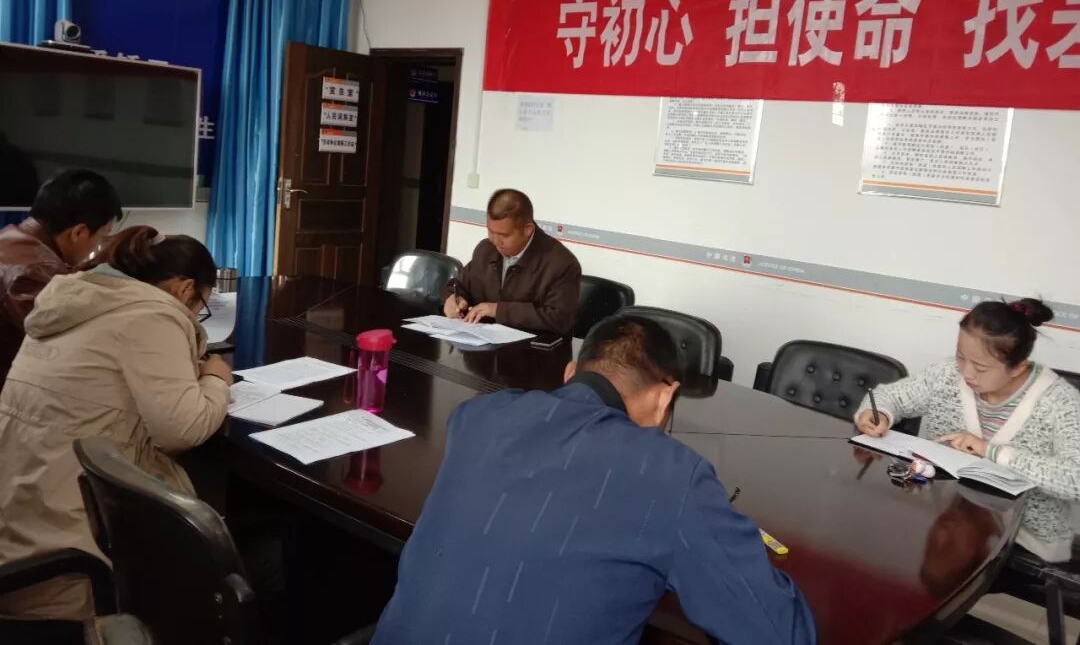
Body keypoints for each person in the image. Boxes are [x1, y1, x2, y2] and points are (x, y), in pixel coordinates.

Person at [372, 315, 817, 645]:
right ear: (666, 396)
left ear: (571, 373)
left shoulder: (479, 416)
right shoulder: (670, 473)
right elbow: (777, 632)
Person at [0, 226, 233, 621]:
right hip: (67, 563)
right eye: (200, 307)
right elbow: (183, 429)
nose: (196, 316)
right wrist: (216, 379)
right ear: (184, 289)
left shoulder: (74, 301)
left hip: (17, 527)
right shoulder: (152, 315)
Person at [856, 298, 1080, 563]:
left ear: (1018, 367)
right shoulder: (947, 375)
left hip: (1025, 542)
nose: (966, 373)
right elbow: (890, 396)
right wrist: (878, 413)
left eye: (980, 367)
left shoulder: (1060, 403)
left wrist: (992, 452)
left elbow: (1074, 479)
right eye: (961, 357)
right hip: (952, 517)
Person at [0, 169, 122, 384]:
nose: (99, 245)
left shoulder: (9, 236)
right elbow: (63, 347)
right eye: (102, 236)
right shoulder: (36, 270)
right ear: (78, 233)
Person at [443, 189, 581, 336]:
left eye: (504, 235)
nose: (495, 241)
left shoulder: (561, 263)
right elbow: (461, 285)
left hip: (530, 347)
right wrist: (453, 299)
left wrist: (498, 310)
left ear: (527, 229)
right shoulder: (485, 249)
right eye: (490, 231)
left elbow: (559, 319)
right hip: (481, 341)